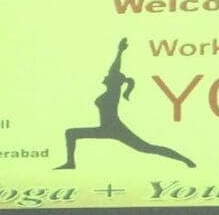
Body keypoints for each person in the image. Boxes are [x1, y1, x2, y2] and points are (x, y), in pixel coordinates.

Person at [55, 37, 195, 169]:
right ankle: (70, 163)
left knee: (147, 148)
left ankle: (185, 160)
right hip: (106, 128)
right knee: (71, 133)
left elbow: (114, 70)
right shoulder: (111, 90)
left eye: (108, 76)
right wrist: (119, 52)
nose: (105, 76)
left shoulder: (113, 91)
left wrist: (120, 51)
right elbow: (113, 72)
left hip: (115, 128)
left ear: (114, 81)